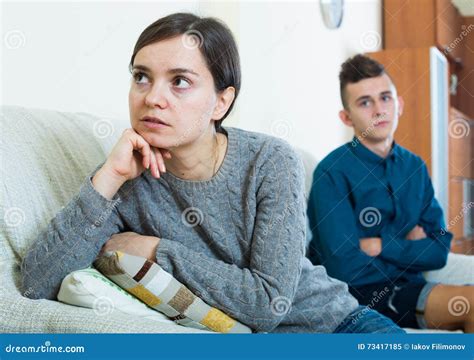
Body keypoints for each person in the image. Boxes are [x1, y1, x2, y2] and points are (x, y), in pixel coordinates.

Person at [21, 14, 403, 333]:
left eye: (180, 81)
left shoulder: (270, 161)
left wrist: (157, 251)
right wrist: (108, 177)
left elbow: (268, 303)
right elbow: (36, 284)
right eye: (141, 76)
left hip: (339, 326)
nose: (152, 96)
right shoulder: (125, 177)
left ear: (222, 101)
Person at [307, 54, 473, 332]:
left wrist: (380, 245)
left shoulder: (414, 167)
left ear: (400, 104)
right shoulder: (331, 172)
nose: (379, 110)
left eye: (385, 98)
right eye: (365, 102)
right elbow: (344, 267)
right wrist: (410, 246)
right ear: (346, 117)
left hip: (411, 286)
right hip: (360, 297)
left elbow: (439, 249)